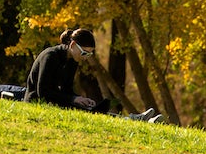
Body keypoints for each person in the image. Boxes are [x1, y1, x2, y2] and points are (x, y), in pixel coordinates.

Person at [24, 28, 163, 122]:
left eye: (89, 54)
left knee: (91, 110)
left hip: (54, 102)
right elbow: (43, 91)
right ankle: (132, 119)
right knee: (88, 114)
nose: (86, 57)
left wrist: (77, 98)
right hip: (37, 102)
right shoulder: (50, 56)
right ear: (72, 45)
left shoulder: (73, 60)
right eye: (84, 53)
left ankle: (133, 119)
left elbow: (66, 90)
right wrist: (73, 100)